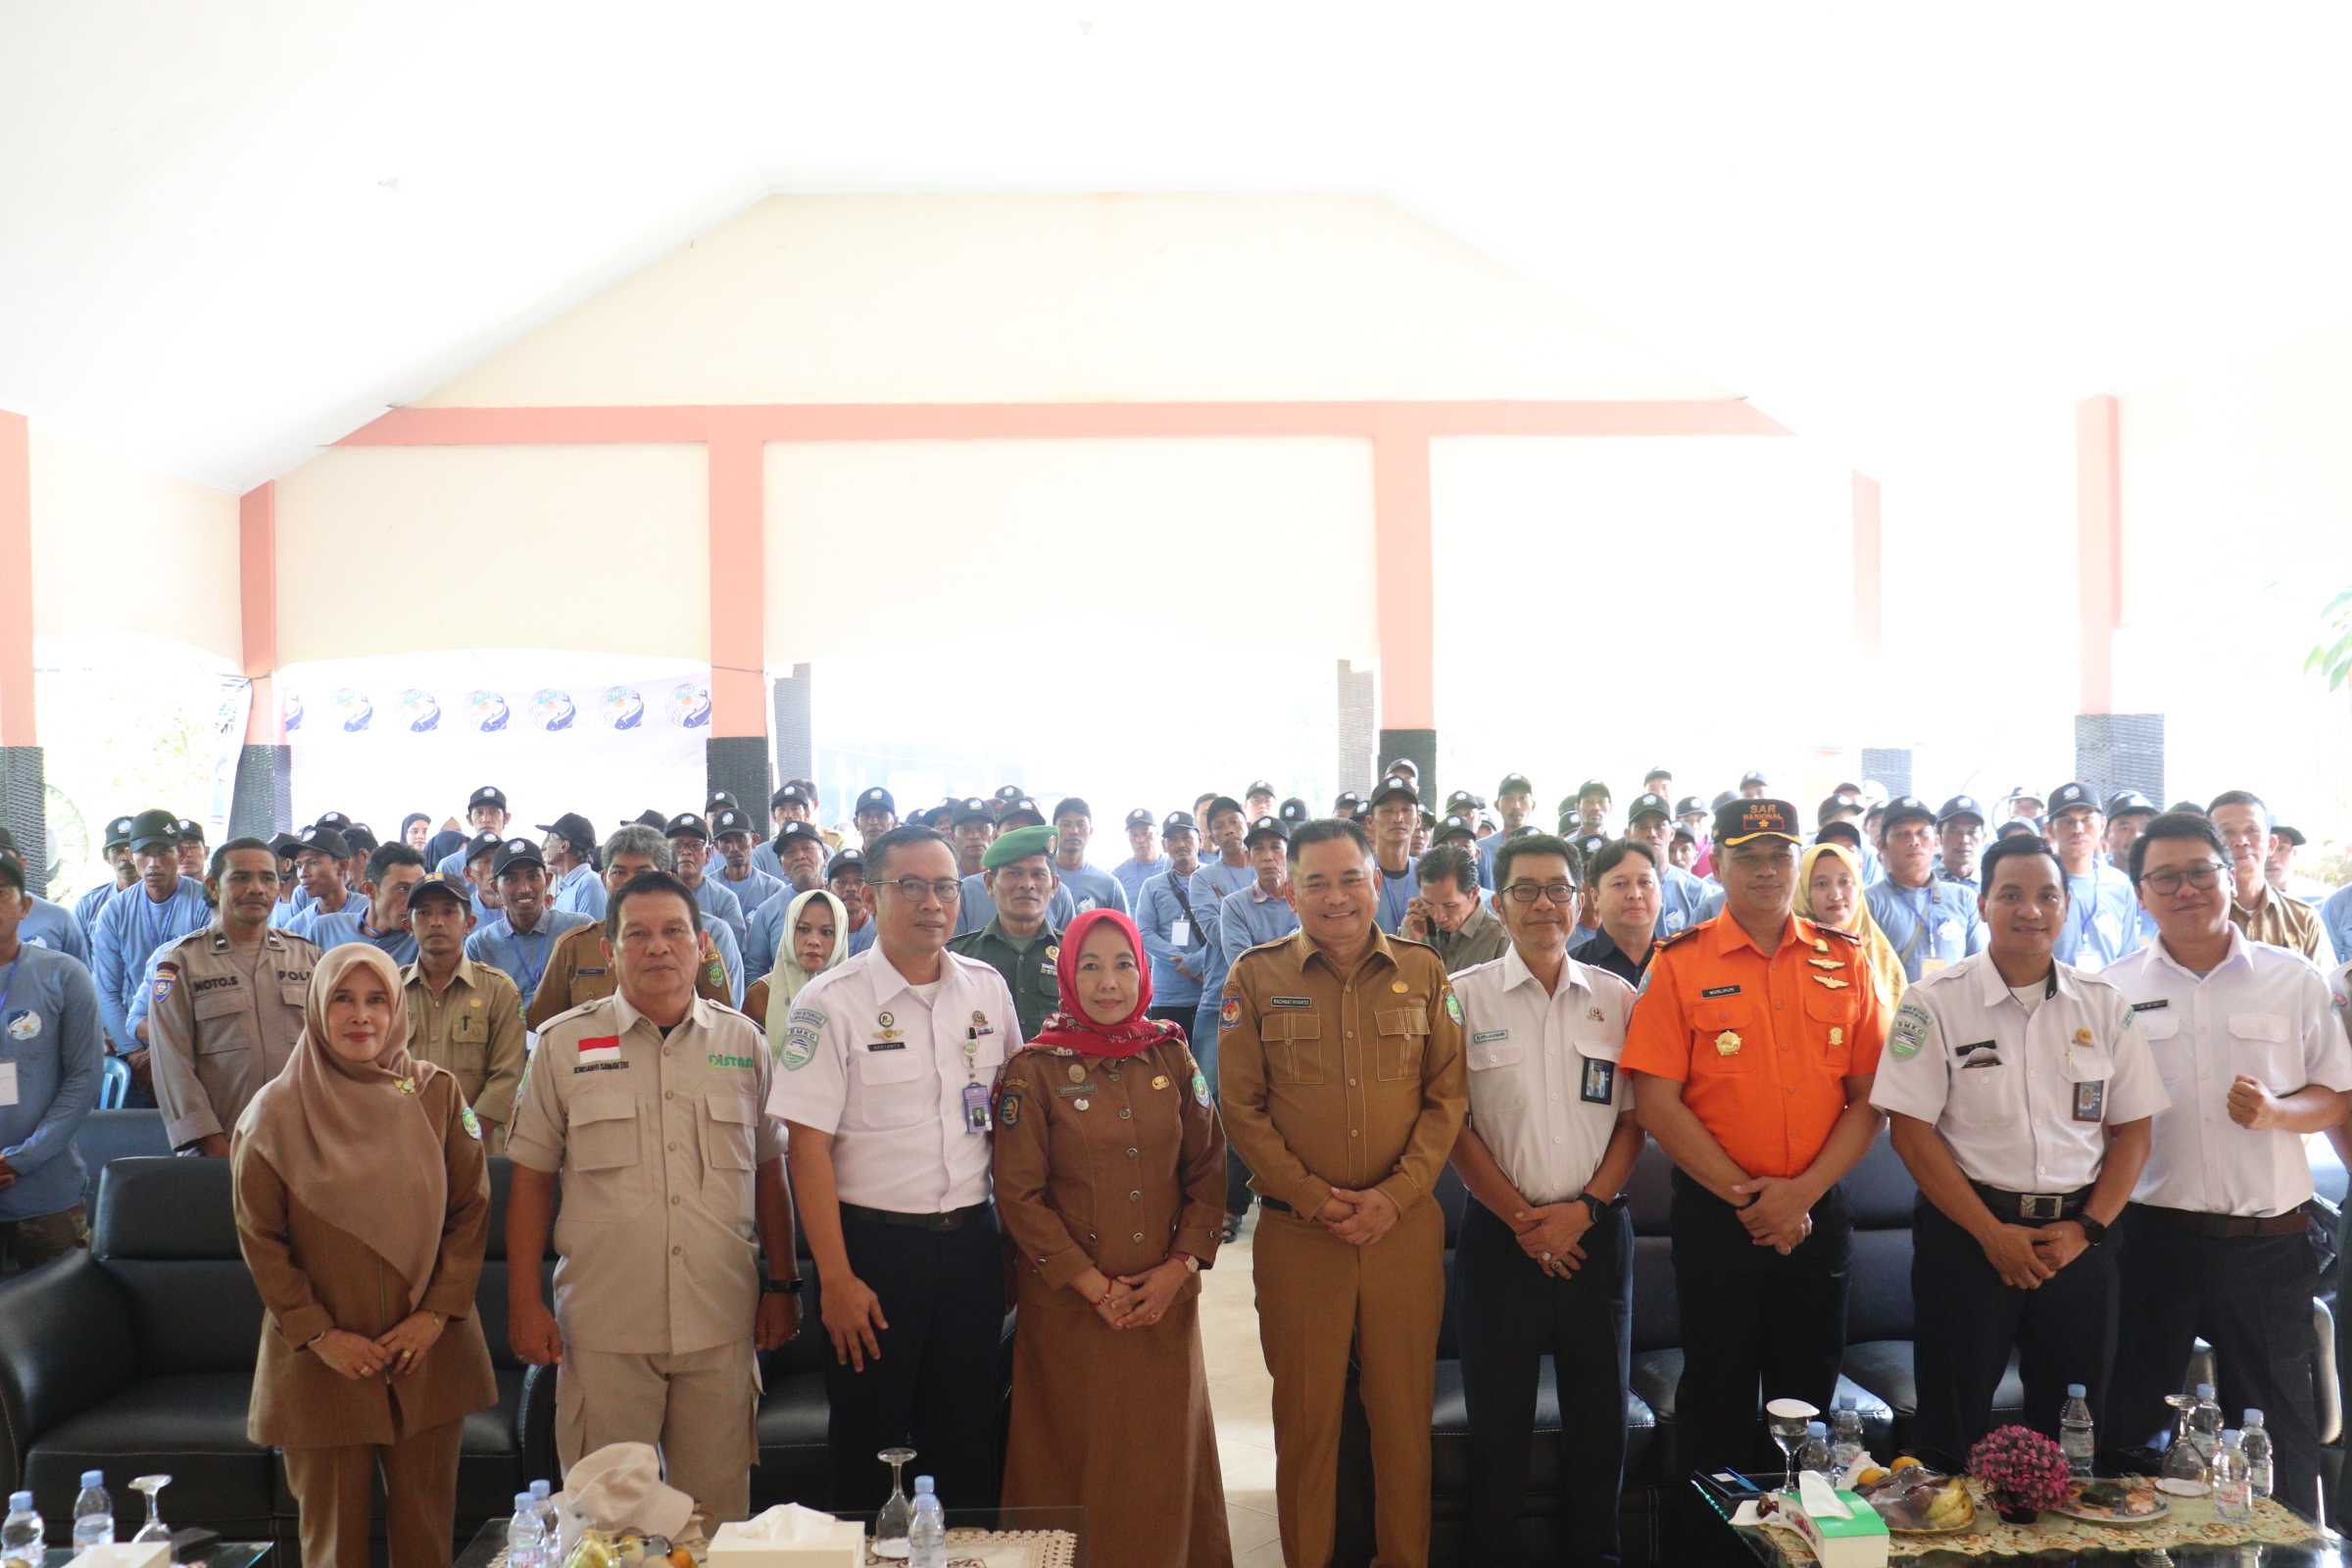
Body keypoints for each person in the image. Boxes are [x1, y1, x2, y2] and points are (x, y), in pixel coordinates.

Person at [505, 870, 796, 1525]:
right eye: (637, 934)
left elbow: (769, 1169)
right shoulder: (563, 1044)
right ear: (609, 951)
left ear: (702, 945)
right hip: (606, 1324)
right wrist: (523, 1301)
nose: (658, 947)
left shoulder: (743, 1042)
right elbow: (531, 1179)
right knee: (607, 1530)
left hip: (719, 1320)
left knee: (714, 1523)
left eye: (674, 932)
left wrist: (783, 1283)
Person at [1623, 798, 1888, 1514]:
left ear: (1798, 861)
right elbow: (1656, 1102)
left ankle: (1804, 1542)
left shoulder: (1846, 960)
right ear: (1719, 863)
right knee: (1716, 1399)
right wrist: (1753, 1199)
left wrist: (1799, 1195)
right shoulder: (1680, 963)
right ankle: (1712, 1548)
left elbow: (1870, 1099)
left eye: (1779, 855)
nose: (1766, 870)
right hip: (1720, 1218)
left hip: (1817, 1214)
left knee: (1809, 1405)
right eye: (1748, 857)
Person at [1216, 816, 1466, 1568]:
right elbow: (1241, 1107)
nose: (1336, 897)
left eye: (1350, 878)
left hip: (1403, 1232)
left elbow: (1447, 1098)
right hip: (1301, 1236)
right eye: (1316, 883)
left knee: (1402, 1424)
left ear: (1377, 882)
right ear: (1290, 892)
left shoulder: (1423, 972)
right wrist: (1312, 1196)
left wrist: (1396, 1194)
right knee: (1307, 1425)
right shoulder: (1256, 977)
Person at [1872, 833, 2162, 1472]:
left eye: (2047, 896)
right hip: (1966, 1238)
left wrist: (2087, 1229)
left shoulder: (2105, 1005)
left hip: (2078, 1241)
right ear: (1982, 904)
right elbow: (1910, 1133)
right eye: (2011, 895)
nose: (2031, 910)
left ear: (2066, 907)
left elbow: (2133, 1134)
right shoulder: (1933, 1002)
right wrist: (1990, 1233)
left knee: (2072, 1438)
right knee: (1949, 1435)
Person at [2100, 811, 2350, 1514]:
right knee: (2130, 1427)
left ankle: (2290, 1550)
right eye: (2165, 878)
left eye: (2201, 873)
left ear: (2232, 877)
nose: (2186, 890)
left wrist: (2277, 1112)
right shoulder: (2111, 990)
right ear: (2141, 894)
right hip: (2151, 1241)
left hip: (2265, 1244)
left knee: (2279, 1432)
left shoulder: (2293, 978)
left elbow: (2336, 1094)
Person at [768, 824, 1021, 1510]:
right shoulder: (829, 1001)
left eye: (945, 887)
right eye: (911, 887)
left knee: (965, 1440)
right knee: (869, 1445)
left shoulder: (987, 990)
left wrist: (1010, 1244)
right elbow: (807, 1149)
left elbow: (1010, 1125)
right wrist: (836, 1278)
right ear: (871, 897)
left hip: (971, 1246)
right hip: (873, 1255)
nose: (932, 903)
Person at [232, 944, 499, 1568]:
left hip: (425, 1354)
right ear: (316, 1009)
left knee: (426, 1541)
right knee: (333, 1547)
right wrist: (320, 1335)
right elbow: (260, 1240)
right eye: (343, 1000)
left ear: (397, 1008)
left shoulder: (437, 1094)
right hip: (323, 1364)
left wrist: (434, 1315)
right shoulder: (273, 1112)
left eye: (377, 999)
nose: (361, 1015)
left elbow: (471, 1213)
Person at [994, 909, 1230, 1568]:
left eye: (1123, 964)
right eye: (1090, 966)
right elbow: (1018, 1194)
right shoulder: (1034, 1068)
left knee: (1162, 1456)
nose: (1108, 982)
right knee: (1070, 1459)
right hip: (1069, 1308)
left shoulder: (1172, 1054)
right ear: (1067, 975)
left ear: (1143, 972)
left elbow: (1209, 1170)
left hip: (1164, 1304)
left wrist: (1178, 1270)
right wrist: (1093, 1286)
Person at [1448, 832, 1644, 1568]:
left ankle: (1598, 1555)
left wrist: (1583, 1211)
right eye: (1525, 890)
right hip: (1503, 1239)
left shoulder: (1618, 999)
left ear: (1579, 900)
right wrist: (1526, 1224)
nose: (1543, 904)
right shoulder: (1460, 998)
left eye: (1558, 889)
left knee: (1601, 1419)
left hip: (1597, 1234)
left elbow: (1633, 1122)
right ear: (1497, 905)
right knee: (1498, 1421)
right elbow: (1452, 1127)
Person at [150, 839, 322, 1155]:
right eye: (240, 878)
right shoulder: (182, 961)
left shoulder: (308, 957)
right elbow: (171, 1064)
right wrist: (212, 1143)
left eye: (267, 878)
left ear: (279, 887)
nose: (256, 888)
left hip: (300, 1146)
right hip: (219, 1148)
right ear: (213, 888)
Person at [0, 851, 104, 1269]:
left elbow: (84, 1078)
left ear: (25, 906)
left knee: (61, 1303)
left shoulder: (64, 974)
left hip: (45, 1189)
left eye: (0, 893)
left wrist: (23, 1157)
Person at [524, 826, 739, 1028]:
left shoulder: (692, 944)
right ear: (603, 879)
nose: (629, 884)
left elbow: (719, 1024)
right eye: (619, 873)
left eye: (642, 873)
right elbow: (543, 1027)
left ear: (668, 879)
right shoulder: (573, 948)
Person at [401, 876, 526, 1154]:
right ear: (408, 926)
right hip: (405, 1149)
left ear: (469, 924)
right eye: (424, 913)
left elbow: (506, 1079)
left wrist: (462, 1138)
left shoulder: (498, 989)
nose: (436, 922)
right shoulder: (390, 991)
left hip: (477, 1151)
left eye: (448, 911)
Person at [91, 808, 213, 1064]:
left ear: (181, 853)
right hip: (135, 1042)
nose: (154, 863)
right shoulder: (114, 911)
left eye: (164, 852)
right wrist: (133, 1053)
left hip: (198, 1042)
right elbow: (107, 990)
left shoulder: (205, 903)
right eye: (144, 853)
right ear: (130, 855)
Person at [946, 823, 1064, 1038]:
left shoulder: (1074, 956)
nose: (1027, 884)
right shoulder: (958, 956)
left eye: (1038, 874)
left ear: (1054, 886)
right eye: (1013, 873)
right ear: (990, 884)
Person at [465, 838, 592, 1015]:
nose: (524, 888)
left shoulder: (579, 929)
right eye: (511, 879)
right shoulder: (480, 946)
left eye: (533, 877)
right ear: (495, 888)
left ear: (547, 881)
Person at [1865, 796, 1986, 982]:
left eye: (1922, 833)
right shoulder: (1869, 901)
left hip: (1955, 1001)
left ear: (1936, 842)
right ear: (1882, 846)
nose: (1914, 841)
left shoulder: (1964, 898)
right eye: (1902, 834)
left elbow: (1980, 967)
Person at [2211, 790, 2335, 964]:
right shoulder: (2198, 916)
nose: (2241, 841)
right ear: (2209, 845)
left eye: (2252, 830)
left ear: (2271, 844)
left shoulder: (2303, 918)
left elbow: (2326, 981)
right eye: (2227, 832)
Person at [1795, 842, 1906, 1013]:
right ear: (1804, 891)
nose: (1836, 895)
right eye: (1821, 884)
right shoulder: (1791, 954)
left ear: (1859, 887)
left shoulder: (1880, 954)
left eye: (1845, 881)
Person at [2044, 782, 2140, 971]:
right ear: (2050, 830)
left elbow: (2129, 957)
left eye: (2087, 818)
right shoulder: (2039, 883)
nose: (2078, 829)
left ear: (2102, 825)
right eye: (2066, 820)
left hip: (2108, 988)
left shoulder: (2120, 884)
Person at [1136, 812, 1211, 1031]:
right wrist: (1184, 962)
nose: (1180, 844)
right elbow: (1144, 934)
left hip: (1212, 991)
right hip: (1168, 995)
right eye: (1173, 839)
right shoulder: (1152, 886)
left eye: (1186, 837)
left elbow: (1227, 931)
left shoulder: (1215, 879)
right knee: (1171, 1053)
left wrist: (1196, 962)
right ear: (1164, 845)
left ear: (1201, 840)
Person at [297, 845, 427, 964]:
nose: (413, 900)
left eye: (418, 889)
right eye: (403, 889)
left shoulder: (420, 939)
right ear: (370, 890)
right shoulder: (326, 929)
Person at [755, 887, 848, 1048]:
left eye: (827, 932)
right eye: (803, 929)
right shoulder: (760, 994)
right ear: (788, 932)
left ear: (840, 937)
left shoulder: (855, 995)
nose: (814, 941)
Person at [1401, 842, 1509, 972]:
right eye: (1429, 903)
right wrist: (1412, 943)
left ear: (1473, 894)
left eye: (1449, 906)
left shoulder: (1500, 940)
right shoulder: (1414, 925)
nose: (1439, 917)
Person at [1572, 839, 1662, 987]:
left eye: (1645, 882)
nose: (1635, 894)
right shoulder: (1573, 968)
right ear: (1595, 897)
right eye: (1619, 884)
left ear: (1661, 895)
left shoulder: (1682, 963)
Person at [663, 813, 749, 952]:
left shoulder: (725, 900)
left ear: (708, 854)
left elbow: (732, 952)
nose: (686, 851)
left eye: (695, 845)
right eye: (677, 845)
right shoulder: (655, 898)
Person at [1188, 796, 1257, 952]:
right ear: (1212, 838)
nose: (1229, 830)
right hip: (1227, 966)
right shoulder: (1202, 878)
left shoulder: (1269, 868)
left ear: (1248, 826)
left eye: (1234, 821)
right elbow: (1215, 934)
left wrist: (1229, 910)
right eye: (1219, 826)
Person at [1049, 798, 1129, 915]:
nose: (1074, 831)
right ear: (1053, 831)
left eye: (1080, 824)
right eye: (1066, 824)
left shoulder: (1109, 885)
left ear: (1090, 832)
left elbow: (1123, 926)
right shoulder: (1039, 876)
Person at [275, 825, 356, 930]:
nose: (303, 874)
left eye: (313, 863)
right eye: (299, 866)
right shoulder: (296, 927)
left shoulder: (368, 913)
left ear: (342, 866)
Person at [710, 807, 785, 919]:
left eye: (740, 838)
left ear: (754, 841)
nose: (734, 848)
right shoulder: (708, 888)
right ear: (717, 846)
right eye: (726, 841)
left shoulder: (773, 889)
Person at [74, 815, 138, 940]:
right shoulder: (88, 905)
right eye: (117, 850)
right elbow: (78, 951)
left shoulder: (161, 900)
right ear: (106, 856)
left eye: (132, 849)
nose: (125, 857)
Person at [430, 787, 509, 878]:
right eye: (479, 812)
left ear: (506, 818)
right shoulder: (449, 866)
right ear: (469, 819)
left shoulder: (517, 858)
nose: (485, 819)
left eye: (493, 812)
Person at [539, 812, 605, 919]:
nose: (546, 846)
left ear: (564, 846)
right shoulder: (570, 886)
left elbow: (594, 929)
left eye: (550, 839)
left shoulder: (590, 884)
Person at [1114, 807, 1170, 909]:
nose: (1140, 839)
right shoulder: (1117, 876)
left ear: (1157, 833)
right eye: (1134, 835)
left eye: (1145, 833)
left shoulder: (1173, 866)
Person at [1935, 795, 1986, 895]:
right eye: (1953, 831)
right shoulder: (1922, 884)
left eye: (1972, 832)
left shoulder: (1995, 882)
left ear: (1984, 837)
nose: (1964, 840)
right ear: (1939, 837)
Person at [2104, 791, 2159, 874]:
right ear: (2107, 834)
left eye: (2144, 828)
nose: (2136, 835)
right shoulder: (2096, 877)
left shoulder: (2165, 876)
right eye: (2125, 828)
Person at [949, 798, 997, 877]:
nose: (974, 836)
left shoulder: (1007, 874)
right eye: (965, 829)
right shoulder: (946, 875)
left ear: (995, 835)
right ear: (952, 838)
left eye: (982, 828)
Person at [848, 786, 898, 853]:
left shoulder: (905, 858)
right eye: (866, 816)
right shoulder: (850, 859)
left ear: (895, 822)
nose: (874, 822)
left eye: (881, 815)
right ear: (856, 823)